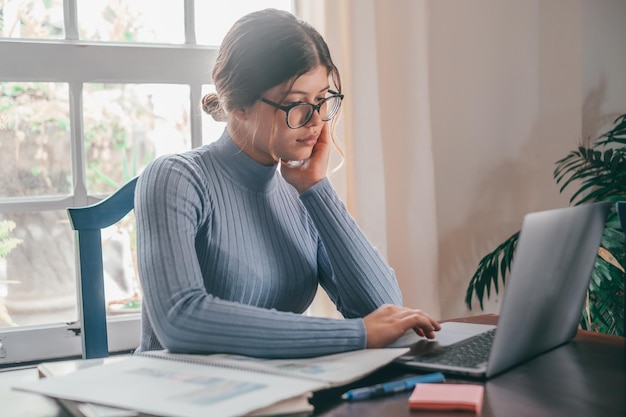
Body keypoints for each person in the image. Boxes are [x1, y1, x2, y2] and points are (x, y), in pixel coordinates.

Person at [134, 8, 440, 358]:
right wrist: (353, 334)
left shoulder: (300, 196)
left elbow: (382, 309)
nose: (315, 122)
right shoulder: (176, 177)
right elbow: (180, 320)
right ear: (239, 105)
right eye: (296, 105)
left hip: (277, 394)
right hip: (178, 400)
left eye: (322, 100)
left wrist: (316, 189)